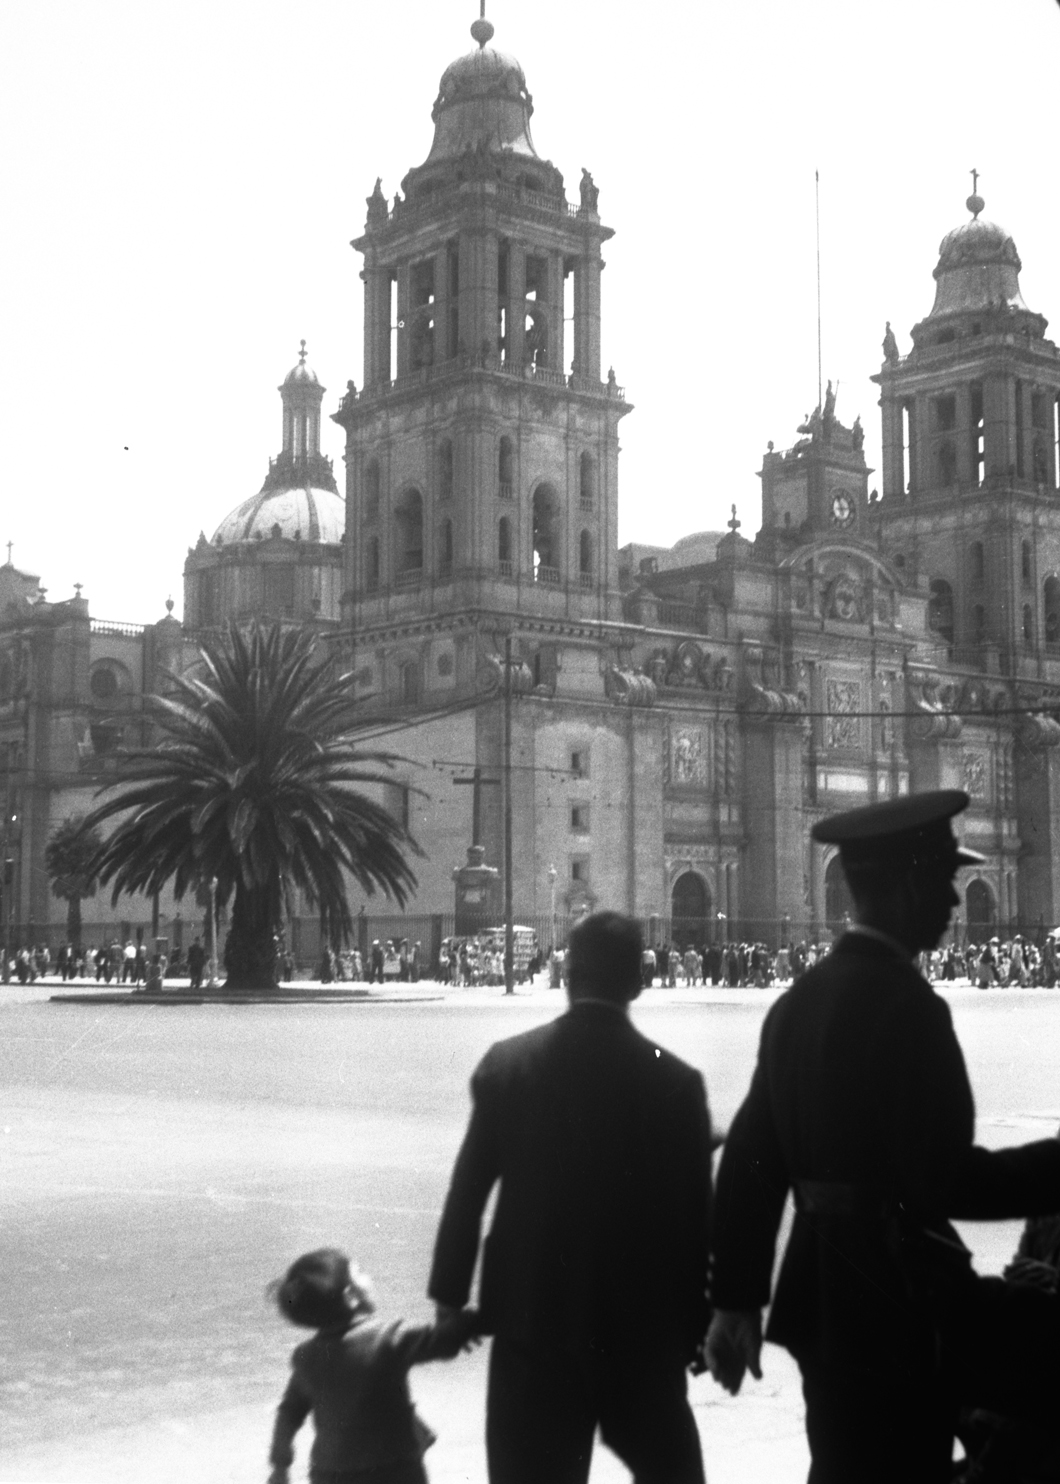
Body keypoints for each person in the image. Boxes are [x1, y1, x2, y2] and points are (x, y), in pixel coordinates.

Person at [705, 790, 1060, 1484]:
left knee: (845, 1463)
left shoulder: (798, 1003)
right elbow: (948, 1181)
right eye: (943, 882)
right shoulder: (910, 1007)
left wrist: (736, 1300)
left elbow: (751, 1163)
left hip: (821, 1300)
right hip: (903, 1299)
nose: (955, 904)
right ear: (903, 887)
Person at [429, 909, 714, 1484]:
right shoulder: (675, 1083)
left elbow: (467, 1192)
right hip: (641, 1331)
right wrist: (698, 1327)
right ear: (640, 979)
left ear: (566, 974)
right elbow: (696, 1227)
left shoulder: (508, 1065)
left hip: (532, 1320)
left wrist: (450, 1299)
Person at [266, 1248, 477, 1484]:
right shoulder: (389, 1337)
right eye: (360, 1273)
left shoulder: (306, 1357)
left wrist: (280, 1466)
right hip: (394, 1470)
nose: (369, 1277)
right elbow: (443, 1342)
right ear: (351, 1296)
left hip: (330, 1475)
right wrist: (468, 1321)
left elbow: (289, 1412)